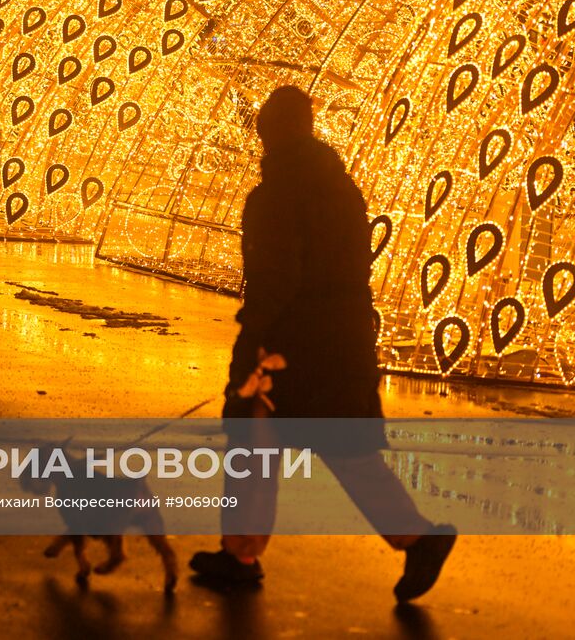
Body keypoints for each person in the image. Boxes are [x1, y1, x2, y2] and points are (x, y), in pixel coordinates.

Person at [187, 86, 456, 603]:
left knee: (255, 441)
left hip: (292, 343)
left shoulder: (276, 195)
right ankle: (244, 552)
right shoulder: (341, 188)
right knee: (336, 447)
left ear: (270, 131)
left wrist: (252, 341)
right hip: (343, 337)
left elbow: (275, 278)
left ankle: (412, 538)